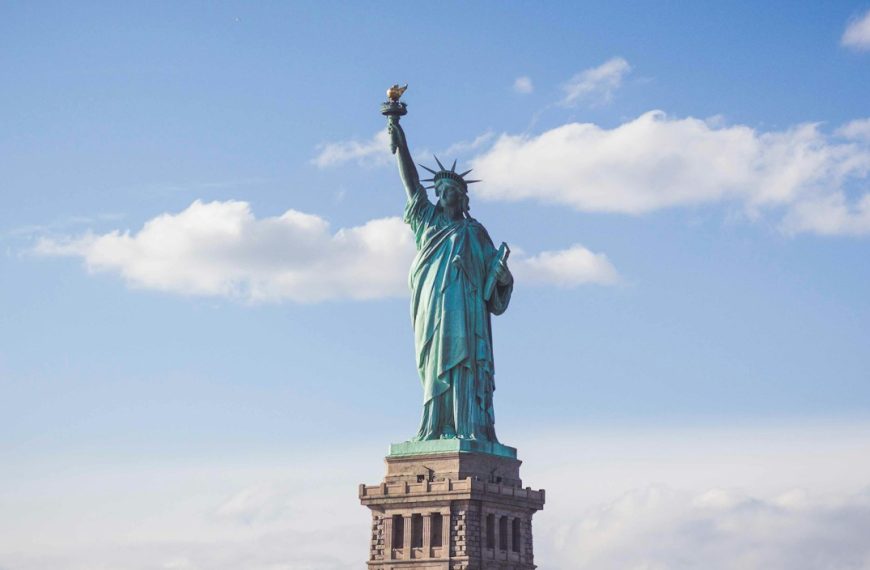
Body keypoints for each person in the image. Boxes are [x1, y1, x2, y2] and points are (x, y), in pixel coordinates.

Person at [387, 115, 513, 443]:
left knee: (466, 363)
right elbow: (411, 182)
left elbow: (494, 287)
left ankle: (469, 427)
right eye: (439, 190)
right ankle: (433, 427)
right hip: (432, 306)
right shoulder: (426, 221)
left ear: (461, 196)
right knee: (434, 366)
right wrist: (400, 142)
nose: (442, 195)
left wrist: (501, 277)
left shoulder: (475, 232)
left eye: (449, 191)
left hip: (466, 311)